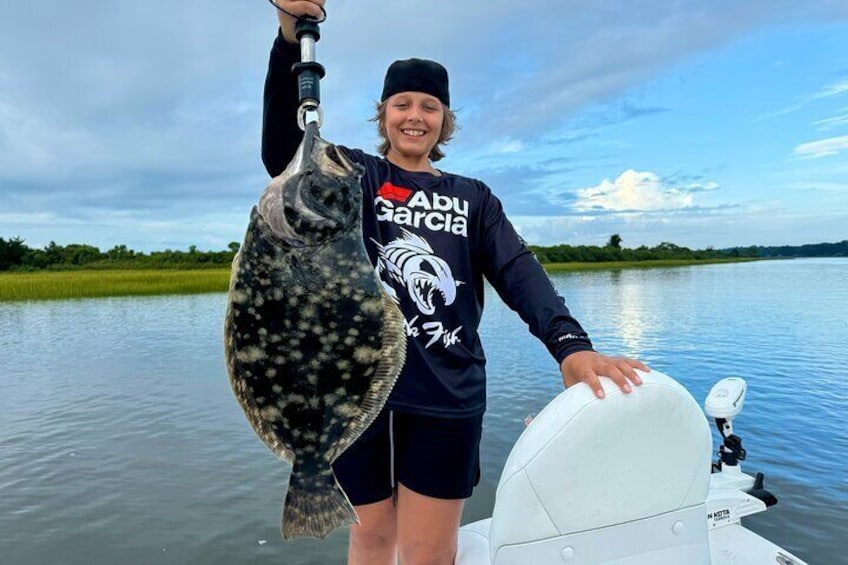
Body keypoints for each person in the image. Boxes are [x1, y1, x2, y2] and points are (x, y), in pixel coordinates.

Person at [262, 2, 650, 563]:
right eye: (402, 104)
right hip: (354, 390)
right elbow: (283, 151)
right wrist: (285, 37)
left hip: (447, 391)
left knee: (428, 548)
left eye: (429, 105)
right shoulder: (355, 176)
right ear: (383, 115)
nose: (414, 115)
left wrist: (570, 346)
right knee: (370, 533)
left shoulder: (474, 196)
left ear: (445, 119)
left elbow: (520, 272)